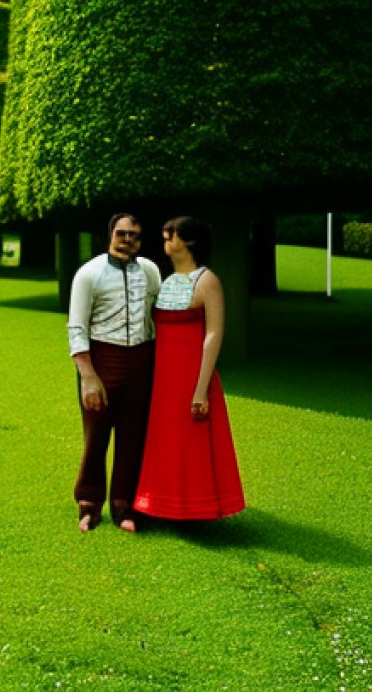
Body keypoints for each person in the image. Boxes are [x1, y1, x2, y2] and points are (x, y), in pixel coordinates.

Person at [133, 216, 245, 520]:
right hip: (163, 376)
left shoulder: (207, 281)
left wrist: (201, 387)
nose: (166, 238)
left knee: (190, 440)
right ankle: (158, 503)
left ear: (190, 241)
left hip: (191, 373)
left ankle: (196, 506)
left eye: (172, 234)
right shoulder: (166, 281)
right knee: (164, 439)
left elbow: (214, 334)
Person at [68, 213, 161, 533]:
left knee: (134, 435)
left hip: (141, 359)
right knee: (96, 434)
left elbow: (156, 315)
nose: (127, 239)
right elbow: (77, 327)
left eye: (134, 235)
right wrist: (88, 376)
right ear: (110, 235)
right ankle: (89, 503)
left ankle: (125, 505)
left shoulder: (150, 271)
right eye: (122, 233)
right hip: (101, 360)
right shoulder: (89, 274)